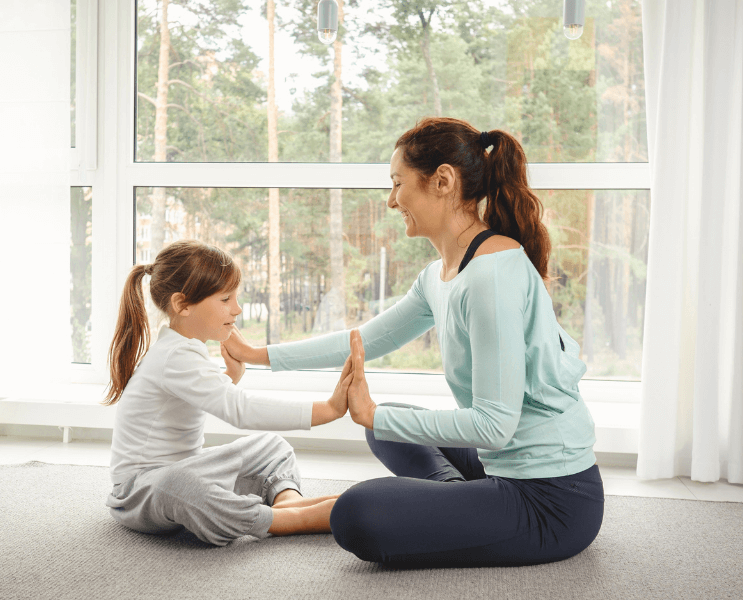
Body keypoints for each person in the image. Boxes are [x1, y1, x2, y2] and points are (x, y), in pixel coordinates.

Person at [224, 117, 605, 567]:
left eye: (397, 183)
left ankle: (445, 506)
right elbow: (364, 340)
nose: (391, 200)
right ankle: (460, 502)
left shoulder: (491, 276)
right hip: (499, 467)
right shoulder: (442, 274)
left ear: (442, 181)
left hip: (551, 499)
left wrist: (374, 412)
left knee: (357, 512)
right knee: (386, 431)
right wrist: (256, 355)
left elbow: (495, 427)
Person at [103, 240, 354, 547]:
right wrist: (328, 409)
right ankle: (288, 519)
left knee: (271, 447)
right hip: (140, 491)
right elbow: (241, 410)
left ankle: (288, 501)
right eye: (225, 299)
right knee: (179, 485)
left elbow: (198, 397)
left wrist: (229, 377)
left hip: (187, 468)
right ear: (182, 304)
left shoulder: (183, 349)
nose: (236, 309)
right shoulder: (175, 355)